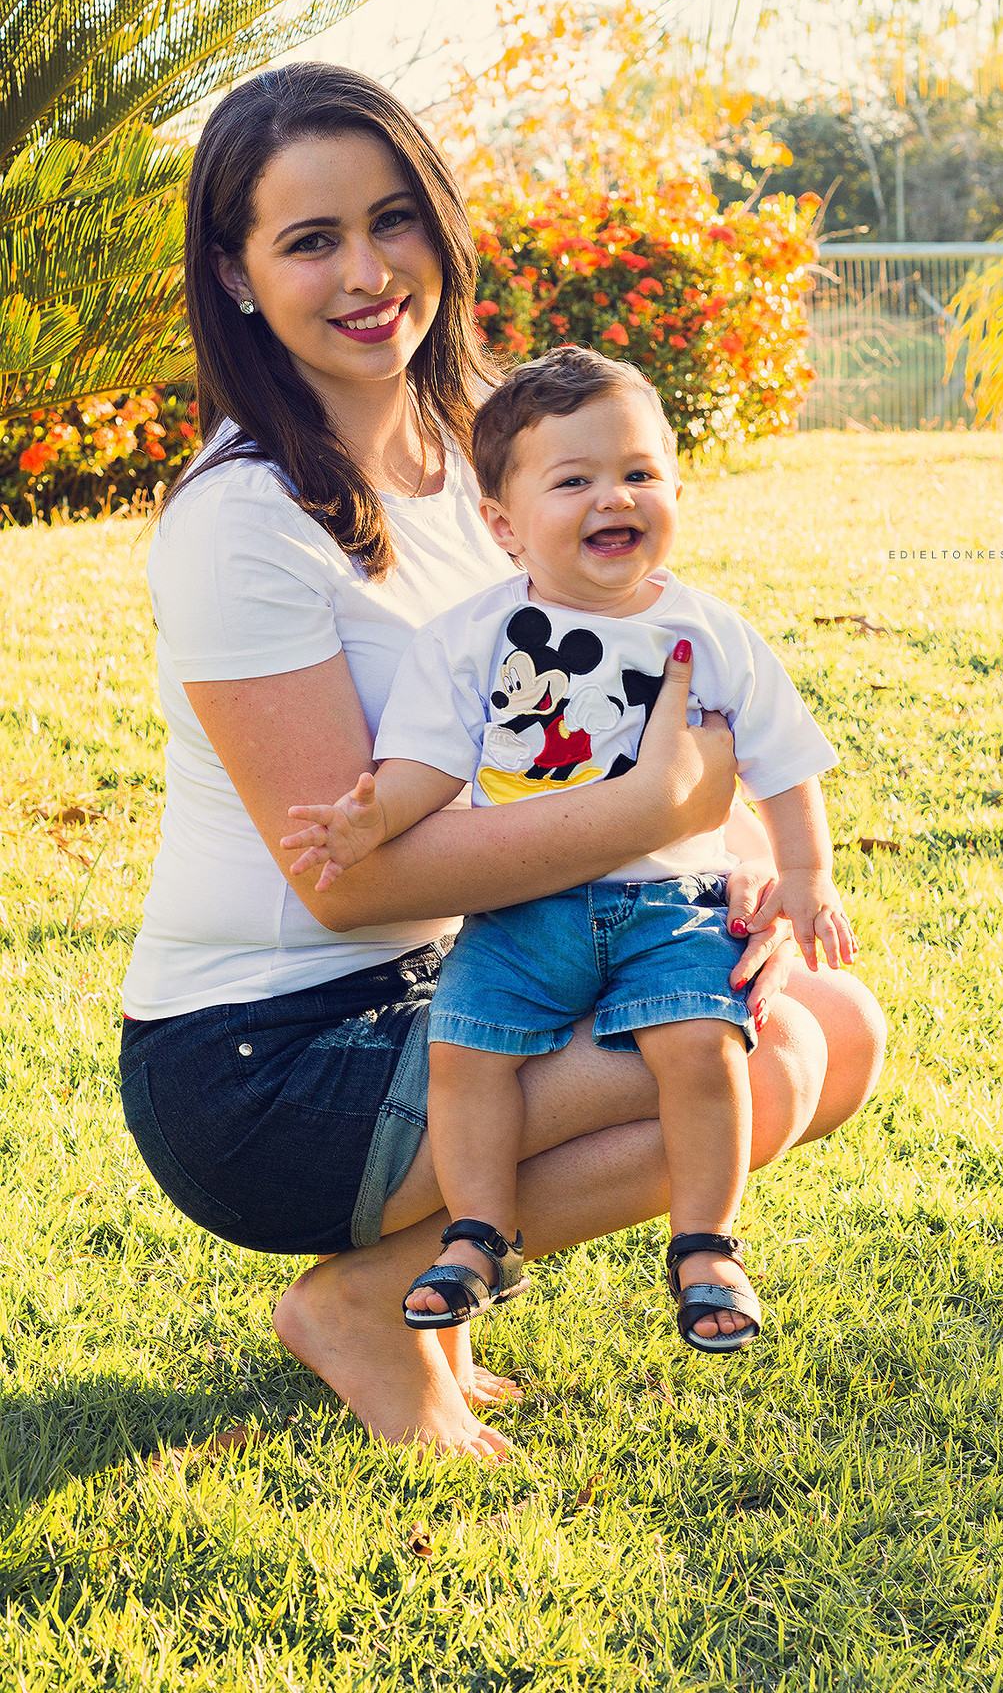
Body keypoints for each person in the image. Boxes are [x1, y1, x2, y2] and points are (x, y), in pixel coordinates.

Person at [118, 60, 886, 1459]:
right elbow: (348, 885)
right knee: (758, 1052)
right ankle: (361, 1300)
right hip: (264, 1062)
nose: (369, 271)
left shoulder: (484, 458)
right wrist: (659, 805)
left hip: (459, 967)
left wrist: (733, 887)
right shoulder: (242, 526)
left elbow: (623, 706)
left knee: (830, 1026)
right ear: (235, 275)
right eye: (310, 241)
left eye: (394, 218)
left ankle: (427, 1292)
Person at [282, 349, 857, 1356]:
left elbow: (781, 759)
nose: (613, 498)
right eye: (574, 481)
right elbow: (424, 762)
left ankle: (704, 1243)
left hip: (668, 904)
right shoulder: (471, 637)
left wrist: (803, 873)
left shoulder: (708, 632)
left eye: (638, 473)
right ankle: (476, 1236)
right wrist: (370, 818)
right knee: (466, 1055)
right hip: (521, 914)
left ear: (675, 491)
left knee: (703, 1044)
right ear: (503, 526)